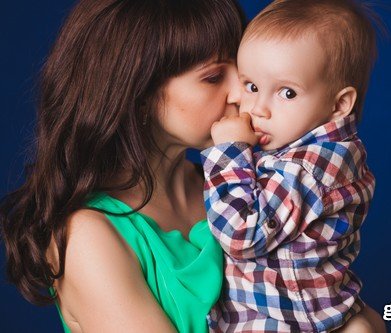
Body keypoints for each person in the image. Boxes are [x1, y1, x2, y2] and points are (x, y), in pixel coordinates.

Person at [0, 0, 246, 332]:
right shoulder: (88, 235)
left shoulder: (237, 183)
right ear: (139, 95)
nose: (242, 92)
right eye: (214, 76)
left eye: (242, 68)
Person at [201, 0, 386, 332]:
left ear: (339, 104)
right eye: (252, 86)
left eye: (287, 93)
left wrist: (230, 150)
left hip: (288, 322)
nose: (259, 108)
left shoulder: (312, 166)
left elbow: (242, 234)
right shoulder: (299, 147)